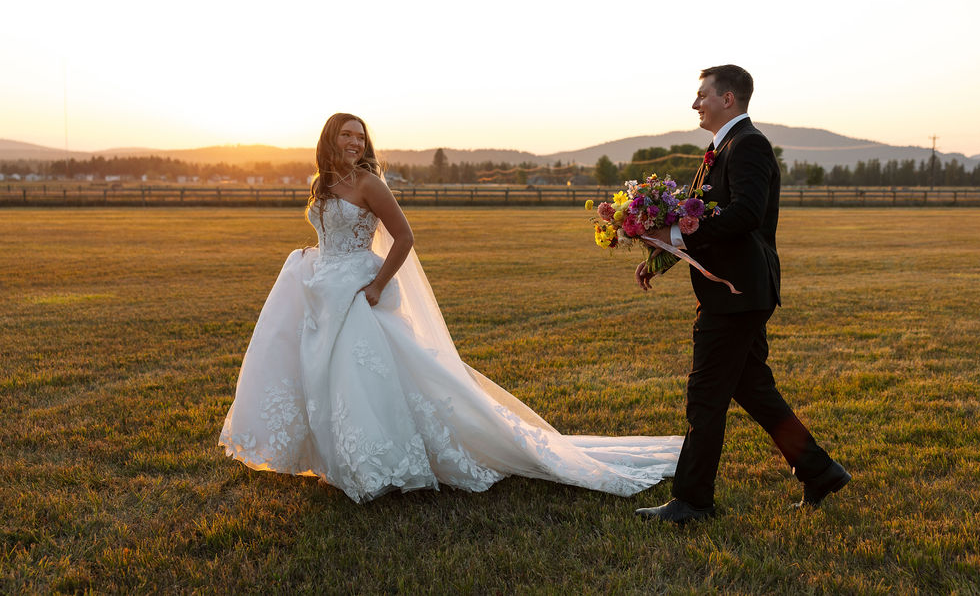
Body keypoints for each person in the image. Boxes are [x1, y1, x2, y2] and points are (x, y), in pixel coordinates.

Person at [219, 112, 682, 502]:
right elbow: (332, 233)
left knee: (361, 374)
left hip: (360, 289)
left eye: (361, 136)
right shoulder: (321, 183)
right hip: (323, 284)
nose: (356, 142)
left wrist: (378, 284)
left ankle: (379, 463)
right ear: (329, 139)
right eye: (347, 135)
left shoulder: (368, 183)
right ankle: (337, 458)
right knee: (322, 374)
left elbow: (404, 237)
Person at [633, 66, 850, 527]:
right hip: (735, 290)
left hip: (738, 293)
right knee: (754, 390)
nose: (695, 105)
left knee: (705, 395)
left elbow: (745, 214)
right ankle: (820, 470)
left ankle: (692, 502)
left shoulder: (747, 145)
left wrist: (671, 232)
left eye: (701, 96)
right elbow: (699, 227)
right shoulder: (719, 149)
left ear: (727, 98)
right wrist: (658, 257)